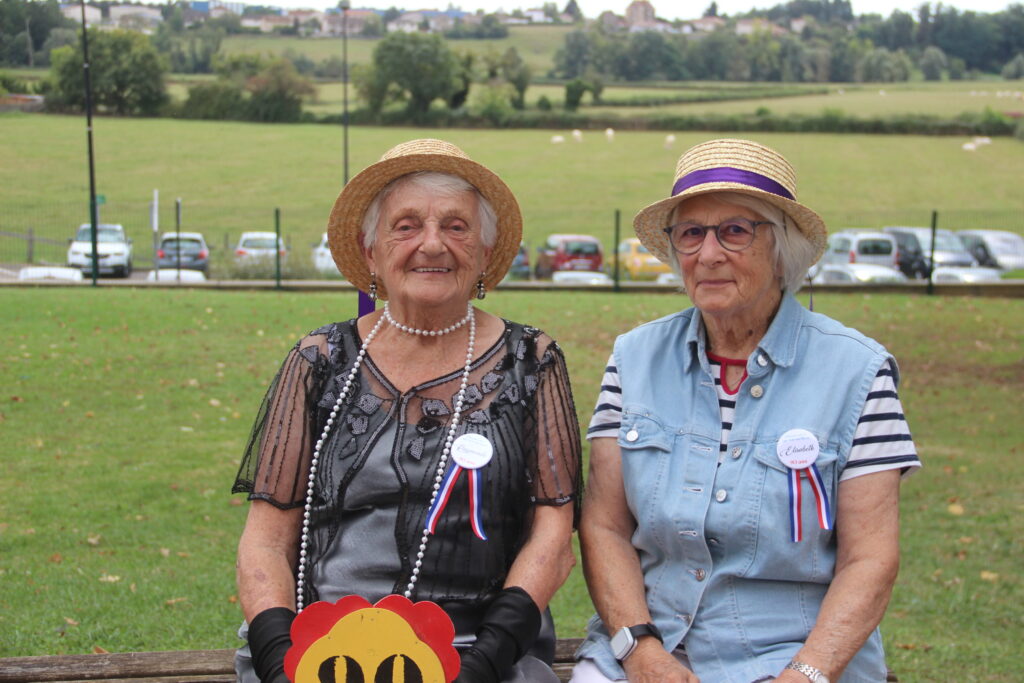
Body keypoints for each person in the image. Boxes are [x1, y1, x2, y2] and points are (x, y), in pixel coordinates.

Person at [232, 139, 582, 683]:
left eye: (457, 227)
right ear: (370, 252)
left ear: (486, 253)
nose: (432, 245)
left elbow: (554, 538)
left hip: (478, 647)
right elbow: (265, 539)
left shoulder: (531, 362)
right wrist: (282, 662)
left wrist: (482, 663)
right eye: (406, 225)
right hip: (322, 647)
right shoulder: (320, 360)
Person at [571, 138, 921, 683]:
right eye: (691, 233)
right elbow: (604, 526)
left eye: (735, 231)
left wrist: (807, 673)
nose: (708, 254)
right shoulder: (632, 359)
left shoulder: (859, 372)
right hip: (651, 644)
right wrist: (641, 651)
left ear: (783, 248)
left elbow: (870, 560)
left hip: (795, 654)